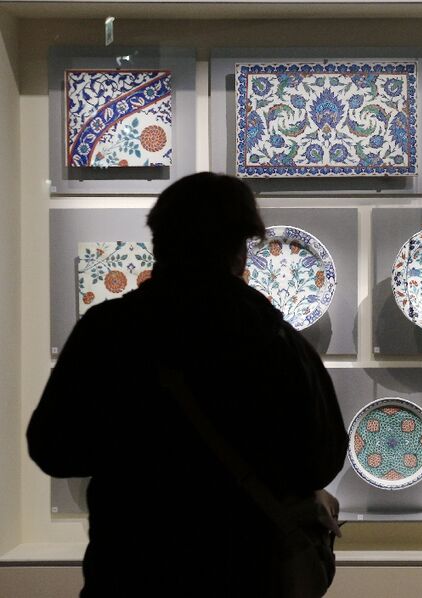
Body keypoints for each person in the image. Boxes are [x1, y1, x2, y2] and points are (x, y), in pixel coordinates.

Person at [27, 172, 348, 597]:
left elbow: (53, 447)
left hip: (134, 567)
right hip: (246, 571)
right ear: (239, 250)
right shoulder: (273, 339)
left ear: (160, 241)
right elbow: (323, 459)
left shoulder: (109, 331)